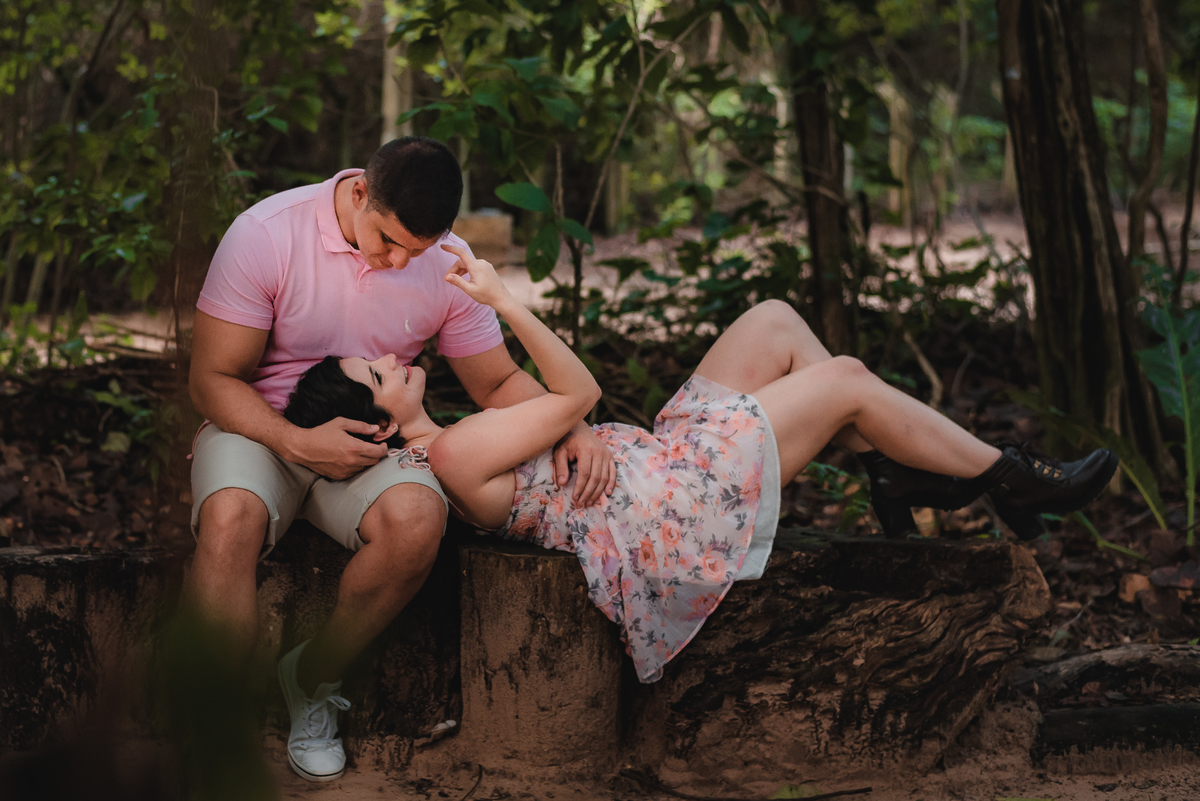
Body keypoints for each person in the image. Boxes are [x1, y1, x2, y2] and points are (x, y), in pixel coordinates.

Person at [284, 245, 1119, 683]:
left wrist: (575, 425)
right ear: (383, 429)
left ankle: (894, 468)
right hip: (668, 512)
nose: (391, 360)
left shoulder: (461, 432)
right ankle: (1011, 477)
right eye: (377, 376)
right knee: (846, 381)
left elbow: (571, 413)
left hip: (653, 462)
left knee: (775, 318)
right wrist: (504, 301)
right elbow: (579, 391)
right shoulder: (457, 451)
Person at [185, 137, 615, 783]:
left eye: (415, 250)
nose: (395, 261)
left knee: (418, 520)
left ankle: (312, 676)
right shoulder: (265, 235)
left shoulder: (445, 261)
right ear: (360, 192)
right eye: (387, 240)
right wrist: (296, 442)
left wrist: (572, 424)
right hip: (262, 426)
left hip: (378, 440)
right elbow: (212, 378)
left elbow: (495, 384)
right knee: (228, 521)